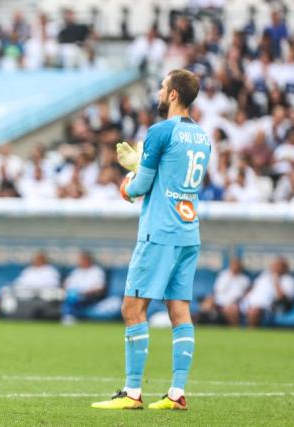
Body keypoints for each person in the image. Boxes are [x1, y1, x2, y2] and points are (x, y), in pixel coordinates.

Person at [92, 69, 210, 411]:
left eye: (162, 87)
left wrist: (127, 182)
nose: (159, 92)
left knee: (133, 307)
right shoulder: (203, 136)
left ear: (173, 94)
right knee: (179, 309)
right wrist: (143, 163)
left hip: (160, 231)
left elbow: (140, 187)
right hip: (189, 230)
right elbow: (173, 175)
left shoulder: (160, 131)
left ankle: (132, 393)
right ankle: (176, 393)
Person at [241, 257, 294, 327]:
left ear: (284, 268)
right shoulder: (264, 276)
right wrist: (245, 297)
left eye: (278, 266)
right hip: (250, 302)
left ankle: (251, 333)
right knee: (231, 309)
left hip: (271, 306)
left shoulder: (289, 280)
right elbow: (253, 288)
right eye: (273, 265)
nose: (274, 268)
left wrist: (276, 281)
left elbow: (283, 299)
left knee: (253, 312)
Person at [198, 257, 250, 326]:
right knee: (206, 305)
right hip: (219, 300)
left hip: (234, 303)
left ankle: (236, 330)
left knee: (231, 309)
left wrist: (233, 302)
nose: (234, 267)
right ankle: (200, 327)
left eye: (236, 265)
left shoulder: (244, 279)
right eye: (233, 265)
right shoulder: (223, 275)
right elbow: (216, 291)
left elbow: (243, 295)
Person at [61, 251, 106, 324]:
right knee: (70, 295)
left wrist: (85, 292)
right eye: (80, 260)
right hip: (73, 294)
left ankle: (69, 316)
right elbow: (67, 283)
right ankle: (68, 316)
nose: (81, 262)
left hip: (89, 296)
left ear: (89, 260)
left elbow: (100, 287)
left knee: (73, 297)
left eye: (83, 260)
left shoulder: (97, 271)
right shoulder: (77, 271)